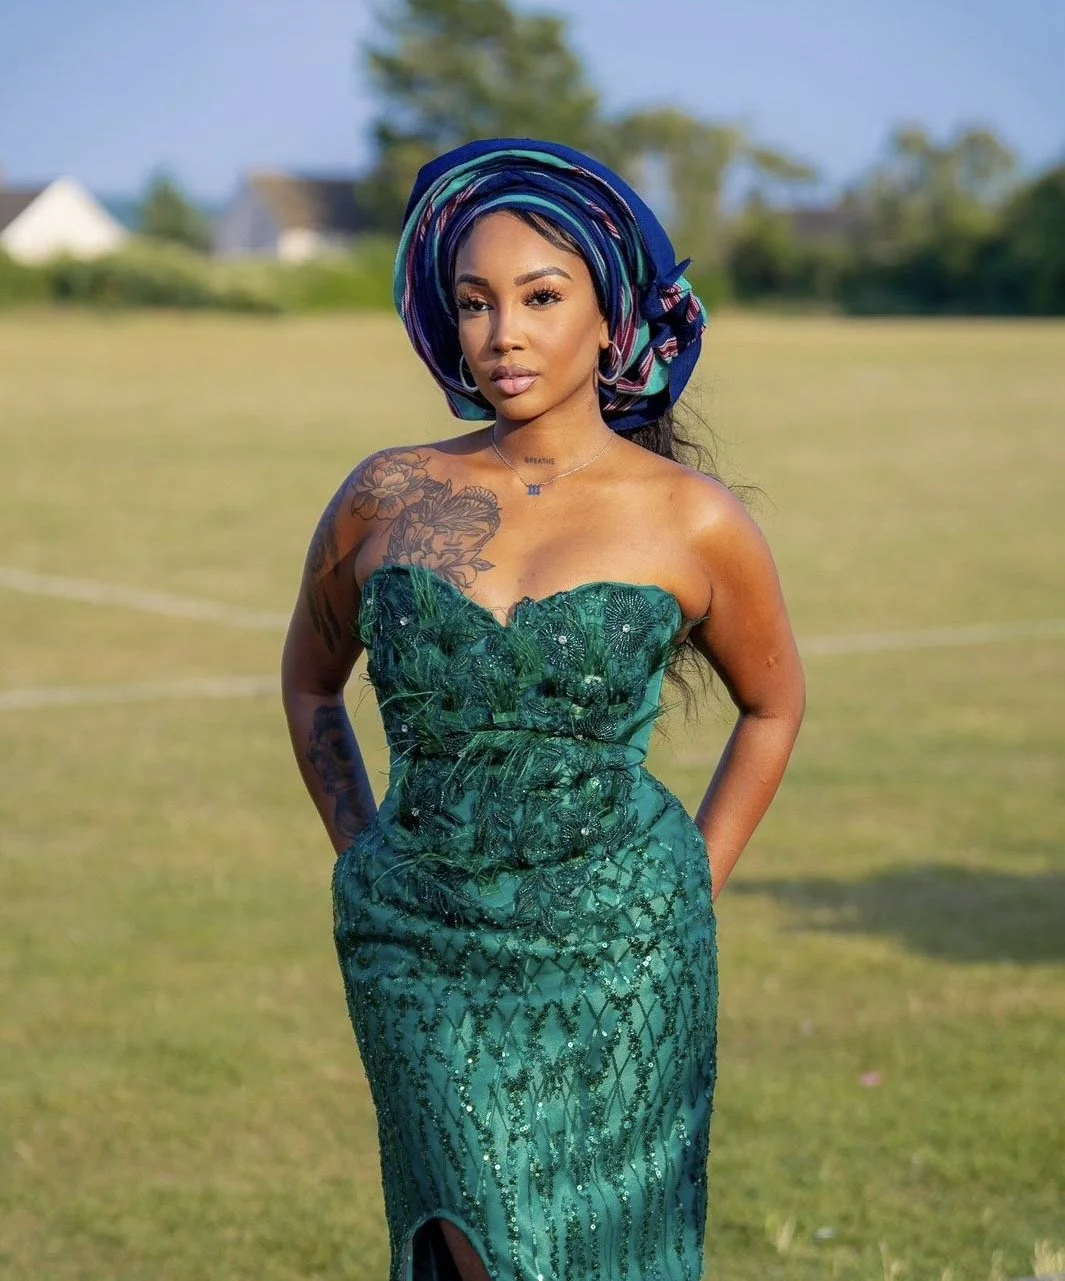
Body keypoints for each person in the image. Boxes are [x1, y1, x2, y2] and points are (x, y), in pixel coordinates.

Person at [281, 138, 805, 1281]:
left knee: (603, 1257)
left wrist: (685, 885)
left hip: (627, 957)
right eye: (474, 303)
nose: (503, 332)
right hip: (417, 949)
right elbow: (310, 680)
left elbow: (774, 706)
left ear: (610, 318)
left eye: (540, 297)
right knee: (466, 1239)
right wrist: (363, 857)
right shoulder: (388, 493)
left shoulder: (694, 520)